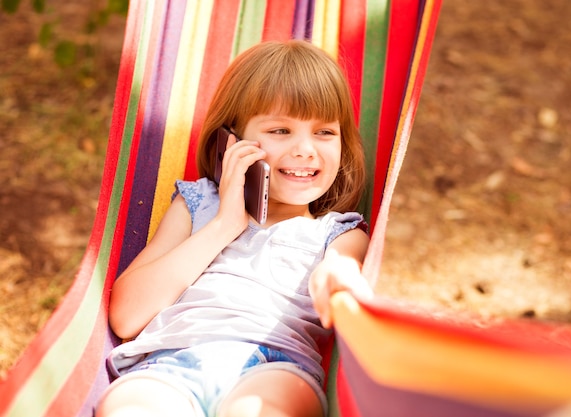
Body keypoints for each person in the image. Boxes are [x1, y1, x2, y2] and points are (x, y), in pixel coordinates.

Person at [96, 40, 372, 417]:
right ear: (232, 143)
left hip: (273, 369)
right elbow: (127, 316)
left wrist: (344, 279)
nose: (306, 149)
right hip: (166, 367)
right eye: (280, 130)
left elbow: (339, 276)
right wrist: (225, 224)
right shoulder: (197, 206)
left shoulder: (337, 234)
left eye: (324, 132)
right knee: (128, 409)